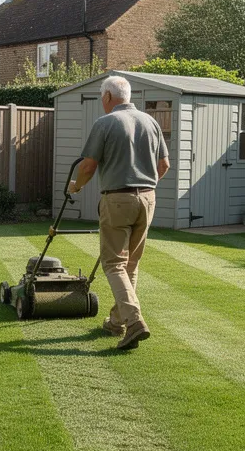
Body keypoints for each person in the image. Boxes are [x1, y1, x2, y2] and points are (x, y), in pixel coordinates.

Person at [67, 75, 169, 349]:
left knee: (113, 264)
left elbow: (88, 167)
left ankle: (134, 321)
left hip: (118, 199)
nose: (103, 102)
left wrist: (76, 186)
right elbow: (164, 165)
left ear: (109, 97)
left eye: (102, 97)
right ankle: (116, 322)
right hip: (148, 199)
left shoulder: (106, 122)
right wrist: (147, 187)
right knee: (130, 265)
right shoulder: (151, 122)